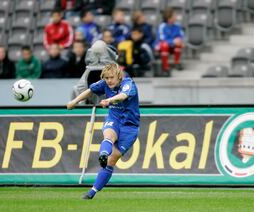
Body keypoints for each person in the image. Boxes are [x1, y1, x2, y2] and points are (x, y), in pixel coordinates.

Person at [67, 63, 140, 200]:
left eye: (111, 77)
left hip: (130, 126)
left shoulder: (128, 83)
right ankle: (103, 155)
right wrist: (74, 101)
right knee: (108, 136)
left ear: (118, 76)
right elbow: (90, 90)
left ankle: (92, 192)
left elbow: (123, 96)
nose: (109, 81)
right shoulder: (105, 83)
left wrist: (109, 100)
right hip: (114, 118)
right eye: (106, 78)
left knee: (112, 161)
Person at [154, 8, 184, 77]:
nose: (176, 17)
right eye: (174, 15)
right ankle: (165, 68)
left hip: (173, 46)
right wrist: (173, 41)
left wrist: (178, 40)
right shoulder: (162, 26)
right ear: (169, 18)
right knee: (165, 45)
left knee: (179, 43)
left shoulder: (177, 26)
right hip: (162, 46)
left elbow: (181, 35)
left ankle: (177, 63)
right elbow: (161, 38)